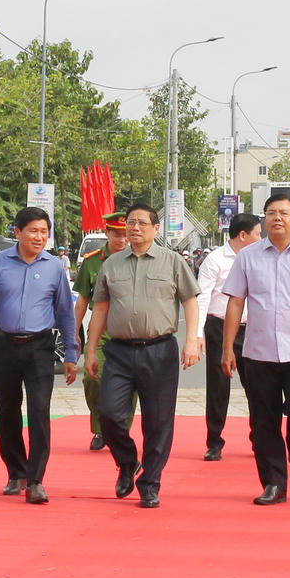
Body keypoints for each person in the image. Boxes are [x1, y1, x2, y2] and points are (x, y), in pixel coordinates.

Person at [221, 194, 290, 505]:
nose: (278, 218)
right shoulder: (248, 257)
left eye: (284, 213)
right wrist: (227, 348)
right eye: (271, 213)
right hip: (257, 353)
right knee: (263, 420)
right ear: (264, 219)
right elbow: (235, 302)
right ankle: (274, 483)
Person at [86, 203, 200, 509]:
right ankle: (126, 461)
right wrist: (90, 350)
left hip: (160, 351)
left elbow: (190, 301)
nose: (135, 228)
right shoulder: (111, 264)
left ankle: (150, 483)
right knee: (108, 413)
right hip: (120, 352)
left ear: (155, 229)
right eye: (131, 223)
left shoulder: (173, 262)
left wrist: (192, 340)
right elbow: (100, 309)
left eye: (141, 223)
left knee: (158, 422)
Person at [0, 207, 77, 505]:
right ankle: (15, 472)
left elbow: (66, 312)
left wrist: (71, 352)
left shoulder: (55, 266)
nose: (39, 237)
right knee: (7, 411)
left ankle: (36, 479)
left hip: (40, 347)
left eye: (44, 231)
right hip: (4, 346)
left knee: (40, 411)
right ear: (17, 232)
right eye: (33, 231)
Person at [195, 212, 263, 461]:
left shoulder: (260, 259)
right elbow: (201, 298)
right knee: (218, 388)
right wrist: (196, 333)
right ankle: (214, 442)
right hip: (219, 328)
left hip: (251, 329)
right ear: (243, 235)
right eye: (258, 233)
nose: (261, 238)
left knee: (256, 388)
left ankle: (259, 439)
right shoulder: (215, 260)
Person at [72, 211, 134, 451]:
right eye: (116, 235)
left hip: (129, 330)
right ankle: (100, 429)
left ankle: (120, 430)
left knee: (130, 384)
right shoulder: (93, 261)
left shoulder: (137, 258)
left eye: (124, 235)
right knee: (92, 377)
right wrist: (74, 332)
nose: (121, 240)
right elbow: (82, 301)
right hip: (101, 331)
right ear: (107, 233)